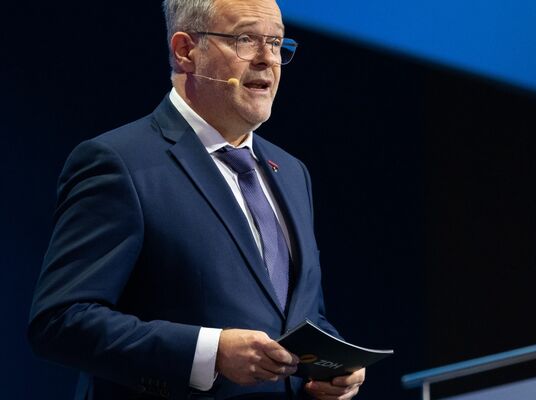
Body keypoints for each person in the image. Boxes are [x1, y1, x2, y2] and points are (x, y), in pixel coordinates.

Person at [27, 0, 366, 398]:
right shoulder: (120, 162)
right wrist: (210, 352)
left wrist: (330, 369)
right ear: (186, 50)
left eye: (276, 43)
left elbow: (300, 316)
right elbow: (61, 321)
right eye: (245, 40)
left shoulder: (291, 172)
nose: (267, 60)